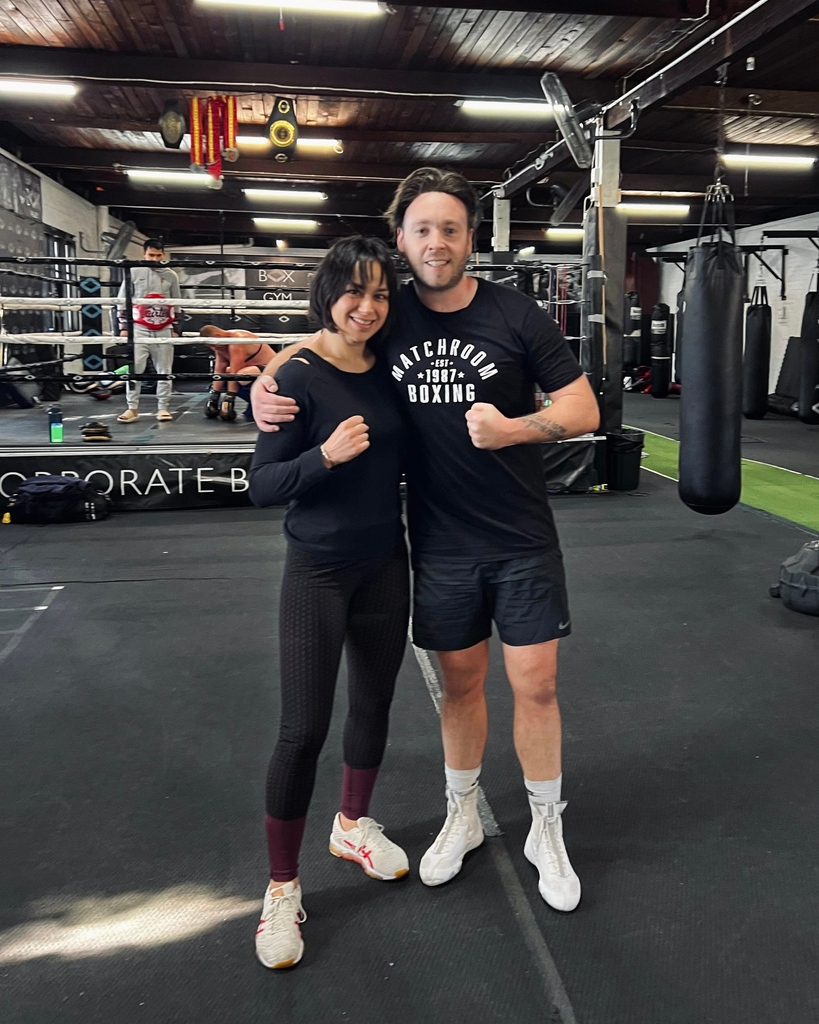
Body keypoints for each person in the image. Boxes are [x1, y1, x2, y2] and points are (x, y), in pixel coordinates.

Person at [252, 168, 601, 915]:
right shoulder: (391, 313)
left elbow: (581, 404)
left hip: (519, 538)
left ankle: (546, 828)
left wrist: (512, 428)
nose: (436, 243)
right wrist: (265, 375)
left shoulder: (516, 314)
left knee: (535, 685)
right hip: (438, 544)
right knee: (460, 689)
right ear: (402, 239)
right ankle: (462, 814)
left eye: (450, 229)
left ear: (470, 238)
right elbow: (322, 339)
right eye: (421, 229)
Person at [249, 236, 410, 970]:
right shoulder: (295, 372)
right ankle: (281, 890)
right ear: (327, 292)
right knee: (300, 729)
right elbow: (262, 484)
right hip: (316, 568)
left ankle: (352, 825)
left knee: (374, 705)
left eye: (380, 294)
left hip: (385, 561)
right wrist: (323, 457)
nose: (367, 307)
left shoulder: (387, 360)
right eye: (355, 292)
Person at [116, 238, 181, 423]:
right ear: (144, 254)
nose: (154, 259)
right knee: (135, 369)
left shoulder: (171, 275)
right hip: (139, 328)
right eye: (151, 255)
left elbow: (177, 303)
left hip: (164, 328)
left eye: (158, 255)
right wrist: (123, 327)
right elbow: (122, 301)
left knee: (164, 369)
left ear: (164, 255)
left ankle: (163, 408)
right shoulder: (133, 272)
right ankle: (132, 408)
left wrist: (176, 328)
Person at [198, 325, 277, 421]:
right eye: (210, 346)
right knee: (223, 376)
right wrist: (214, 396)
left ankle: (263, 403)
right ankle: (255, 403)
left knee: (241, 376)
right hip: (253, 370)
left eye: (212, 344)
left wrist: (229, 398)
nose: (213, 348)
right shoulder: (220, 344)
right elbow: (219, 369)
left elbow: (235, 371)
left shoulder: (236, 340)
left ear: (218, 336)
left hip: (272, 369)